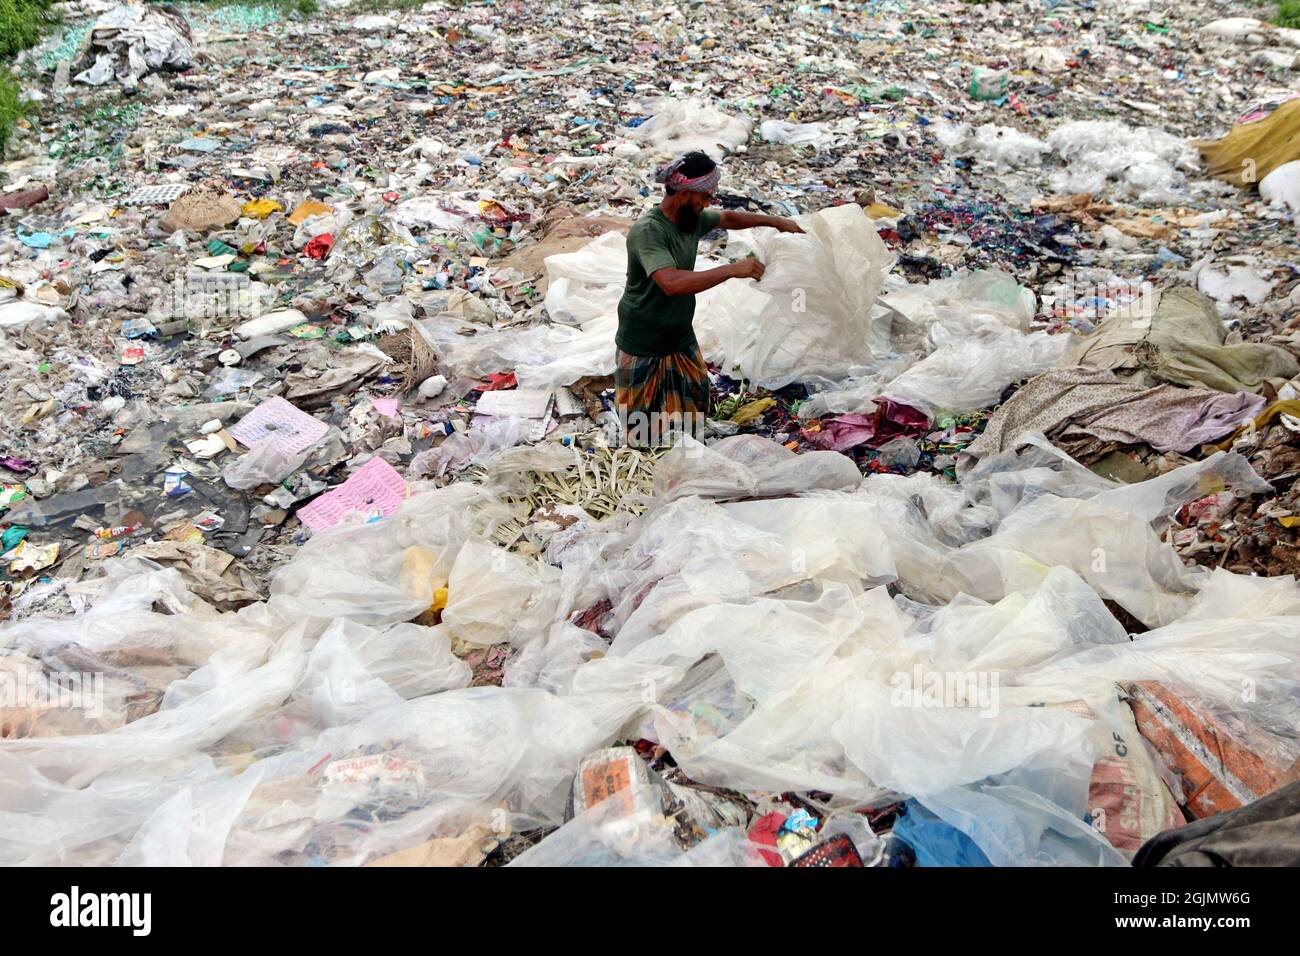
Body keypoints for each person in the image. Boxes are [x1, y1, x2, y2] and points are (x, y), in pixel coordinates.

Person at [615, 150, 804, 448]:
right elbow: (671, 283)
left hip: (679, 335)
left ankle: (686, 458)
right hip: (643, 340)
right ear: (685, 193)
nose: (709, 203)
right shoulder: (649, 231)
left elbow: (729, 217)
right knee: (640, 428)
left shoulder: (689, 218)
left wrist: (777, 222)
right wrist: (732, 269)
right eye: (704, 197)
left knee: (694, 410)